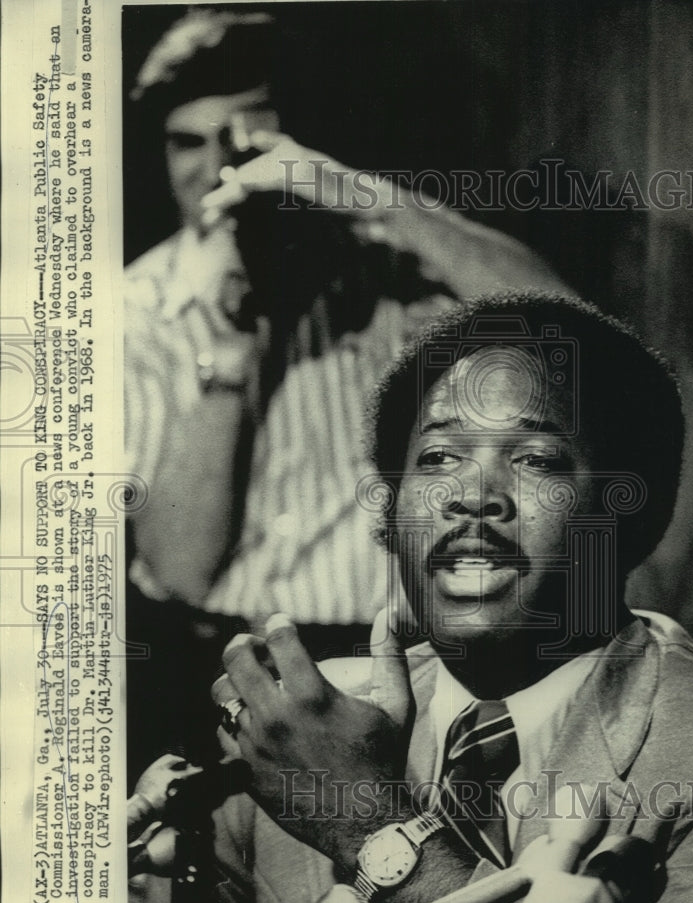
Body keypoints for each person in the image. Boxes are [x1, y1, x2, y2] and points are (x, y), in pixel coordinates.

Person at [185, 290, 693, 903]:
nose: (472, 494)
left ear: (630, 510)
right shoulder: (292, 734)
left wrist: (370, 824)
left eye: (535, 458)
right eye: (437, 458)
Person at [123, 7, 568, 781]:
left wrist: (360, 196)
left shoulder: (392, 260)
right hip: (253, 668)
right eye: (185, 142)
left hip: (444, 658)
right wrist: (231, 344)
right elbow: (181, 569)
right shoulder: (136, 309)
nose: (215, 169)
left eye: (245, 137)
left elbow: (567, 327)